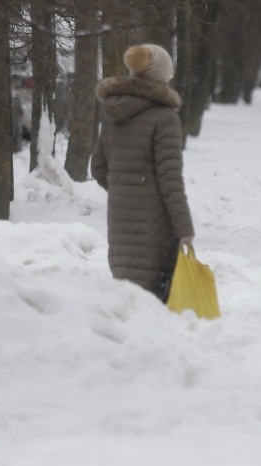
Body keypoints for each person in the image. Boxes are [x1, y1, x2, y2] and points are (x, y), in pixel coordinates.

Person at [91, 44, 195, 302]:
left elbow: (98, 167)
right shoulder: (164, 117)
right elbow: (170, 179)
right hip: (154, 224)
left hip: (119, 218)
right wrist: (184, 228)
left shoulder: (113, 112)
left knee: (127, 293)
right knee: (152, 297)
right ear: (161, 75)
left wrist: (124, 189)